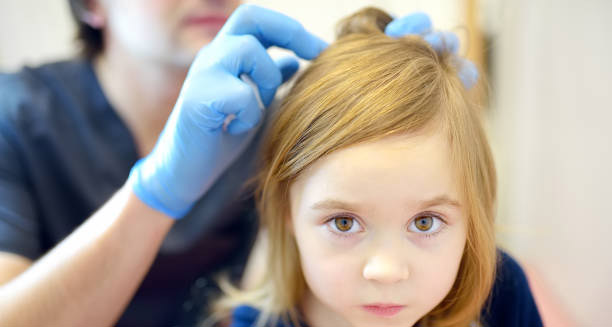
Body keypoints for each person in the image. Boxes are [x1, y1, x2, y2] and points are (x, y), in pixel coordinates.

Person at [0, 1, 462, 326]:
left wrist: (416, 102)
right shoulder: (16, 117)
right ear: (91, 6)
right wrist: (156, 194)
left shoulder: (274, 122)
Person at [212, 7, 542, 327]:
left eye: (425, 222)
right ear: (287, 211)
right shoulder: (259, 321)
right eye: (343, 223)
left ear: (473, 214)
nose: (386, 270)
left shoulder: (502, 296)